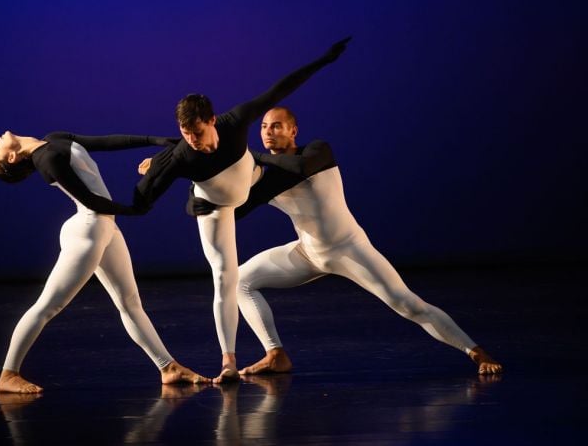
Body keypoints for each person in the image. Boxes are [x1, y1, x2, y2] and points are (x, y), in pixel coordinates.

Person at [186, 106, 503, 376]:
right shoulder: (264, 176)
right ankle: (276, 354)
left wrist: (246, 158)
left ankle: (475, 351)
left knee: (407, 304)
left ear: (294, 130)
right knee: (239, 280)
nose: (268, 132)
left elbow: (299, 168)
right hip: (308, 252)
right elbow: (225, 209)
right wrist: (193, 178)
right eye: (264, 127)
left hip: (349, 249)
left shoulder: (317, 152)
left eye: (277, 126)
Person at [131, 37, 351, 383]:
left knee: (263, 171)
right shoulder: (182, 155)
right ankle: (228, 362)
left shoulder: (235, 121)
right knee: (226, 278)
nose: (194, 141)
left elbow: (280, 89)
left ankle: (272, 355)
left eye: (198, 133)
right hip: (213, 206)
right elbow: (143, 200)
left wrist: (324, 60)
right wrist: (151, 170)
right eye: (186, 135)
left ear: (213, 121)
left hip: (247, 182)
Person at [0, 130, 210, 393]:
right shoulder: (47, 161)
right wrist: (133, 210)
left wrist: (155, 141)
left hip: (103, 228)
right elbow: (90, 200)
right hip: (88, 230)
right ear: (12, 158)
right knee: (48, 305)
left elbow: (104, 142)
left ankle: (168, 367)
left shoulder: (53, 140)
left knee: (130, 303)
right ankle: (8, 374)